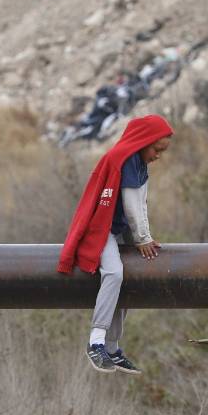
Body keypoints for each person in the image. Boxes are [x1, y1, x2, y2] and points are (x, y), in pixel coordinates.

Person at [57, 114, 173, 375]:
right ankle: (96, 341)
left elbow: (141, 203)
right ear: (144, 142)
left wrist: (145, 235)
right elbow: (131, 202)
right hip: (101, 229)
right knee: (114, 272)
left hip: (118, 229)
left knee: (127, 278)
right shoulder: (127, 158)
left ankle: (112, 347)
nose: (158, 156)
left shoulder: (139, 163)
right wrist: (141, 239)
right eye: (157, 149)